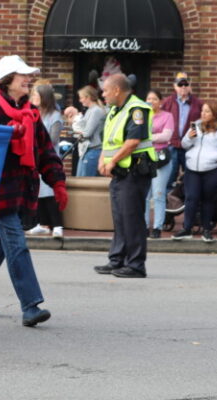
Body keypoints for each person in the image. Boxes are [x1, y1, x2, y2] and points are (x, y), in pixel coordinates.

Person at [0, 55, 66, 326]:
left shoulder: (30, 112)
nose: (28, 79)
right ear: (8, 79)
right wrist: (6, 135)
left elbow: (44, 149)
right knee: (17, 246)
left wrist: (57, 182)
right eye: (23, 76)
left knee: (1, 244)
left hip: (21, 191)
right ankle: (31, 305)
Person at [94, 73, 156, 279]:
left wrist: (111, 162)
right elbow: (109, 141)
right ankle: (117, 260)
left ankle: (136, 265)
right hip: (121, 172)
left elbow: (133, 141)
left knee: (132, 219)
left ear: (117, 90)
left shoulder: (137, 109)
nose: (103, 94)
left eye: (105, 90)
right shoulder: (115, 110)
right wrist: (103, 159)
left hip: (135, 171)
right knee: (120, 218)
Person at [174, 101, 217, 242]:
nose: (203, 114)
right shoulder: (195, 125)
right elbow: (184, 145)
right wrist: (188, 137)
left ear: (215, 113)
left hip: (214, 169)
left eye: (207, 111)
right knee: (191, 197)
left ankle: (206, 229)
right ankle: (187, 229)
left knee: (207, 199)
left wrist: (215, 157)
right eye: (202, 111)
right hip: (192, 168)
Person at [26, 82, 65, 238]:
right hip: (35, 158)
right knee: (38, 193)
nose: (33, 98)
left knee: (50, 193)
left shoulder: (54, 115)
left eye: (36, 95)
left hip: (48, 159)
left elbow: (53, 139)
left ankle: (57, 225)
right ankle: (42, 224)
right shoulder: (35, 113)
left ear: (44, 98)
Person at [160, 72, 203, 191]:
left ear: (190, 86)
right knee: (169, 177)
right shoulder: (167, 102)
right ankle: (168, 206)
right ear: (175, 86)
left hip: (189, 146)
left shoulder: (198, 103)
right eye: (180, 84)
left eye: (186, 84)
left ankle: (187, 205)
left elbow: (201, 122)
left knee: (190, 178)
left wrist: (195, 137)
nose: (183, 87)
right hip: (171, 145)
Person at [144, 89, 174, 239]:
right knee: (144, 195)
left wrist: (149, 138)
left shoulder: (167, 116)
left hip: (160, 159)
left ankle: (157, 227)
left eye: (155, 99)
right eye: (149, 99)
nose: (151, 101)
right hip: (144, 159)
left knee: (158, 194)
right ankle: (144, 226)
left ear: (161, 102)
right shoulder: (142, 116)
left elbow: (166, 136)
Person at [64, 86, 106, 177]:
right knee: (80, 179)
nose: (80, 100)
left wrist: (75, 131)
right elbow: (82, 131)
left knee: (87, 182)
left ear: (88, 97)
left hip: (93, 150)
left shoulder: (96, 111)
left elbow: (87, 133)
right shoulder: (90, 110)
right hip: (87, 151)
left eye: (81, 97)